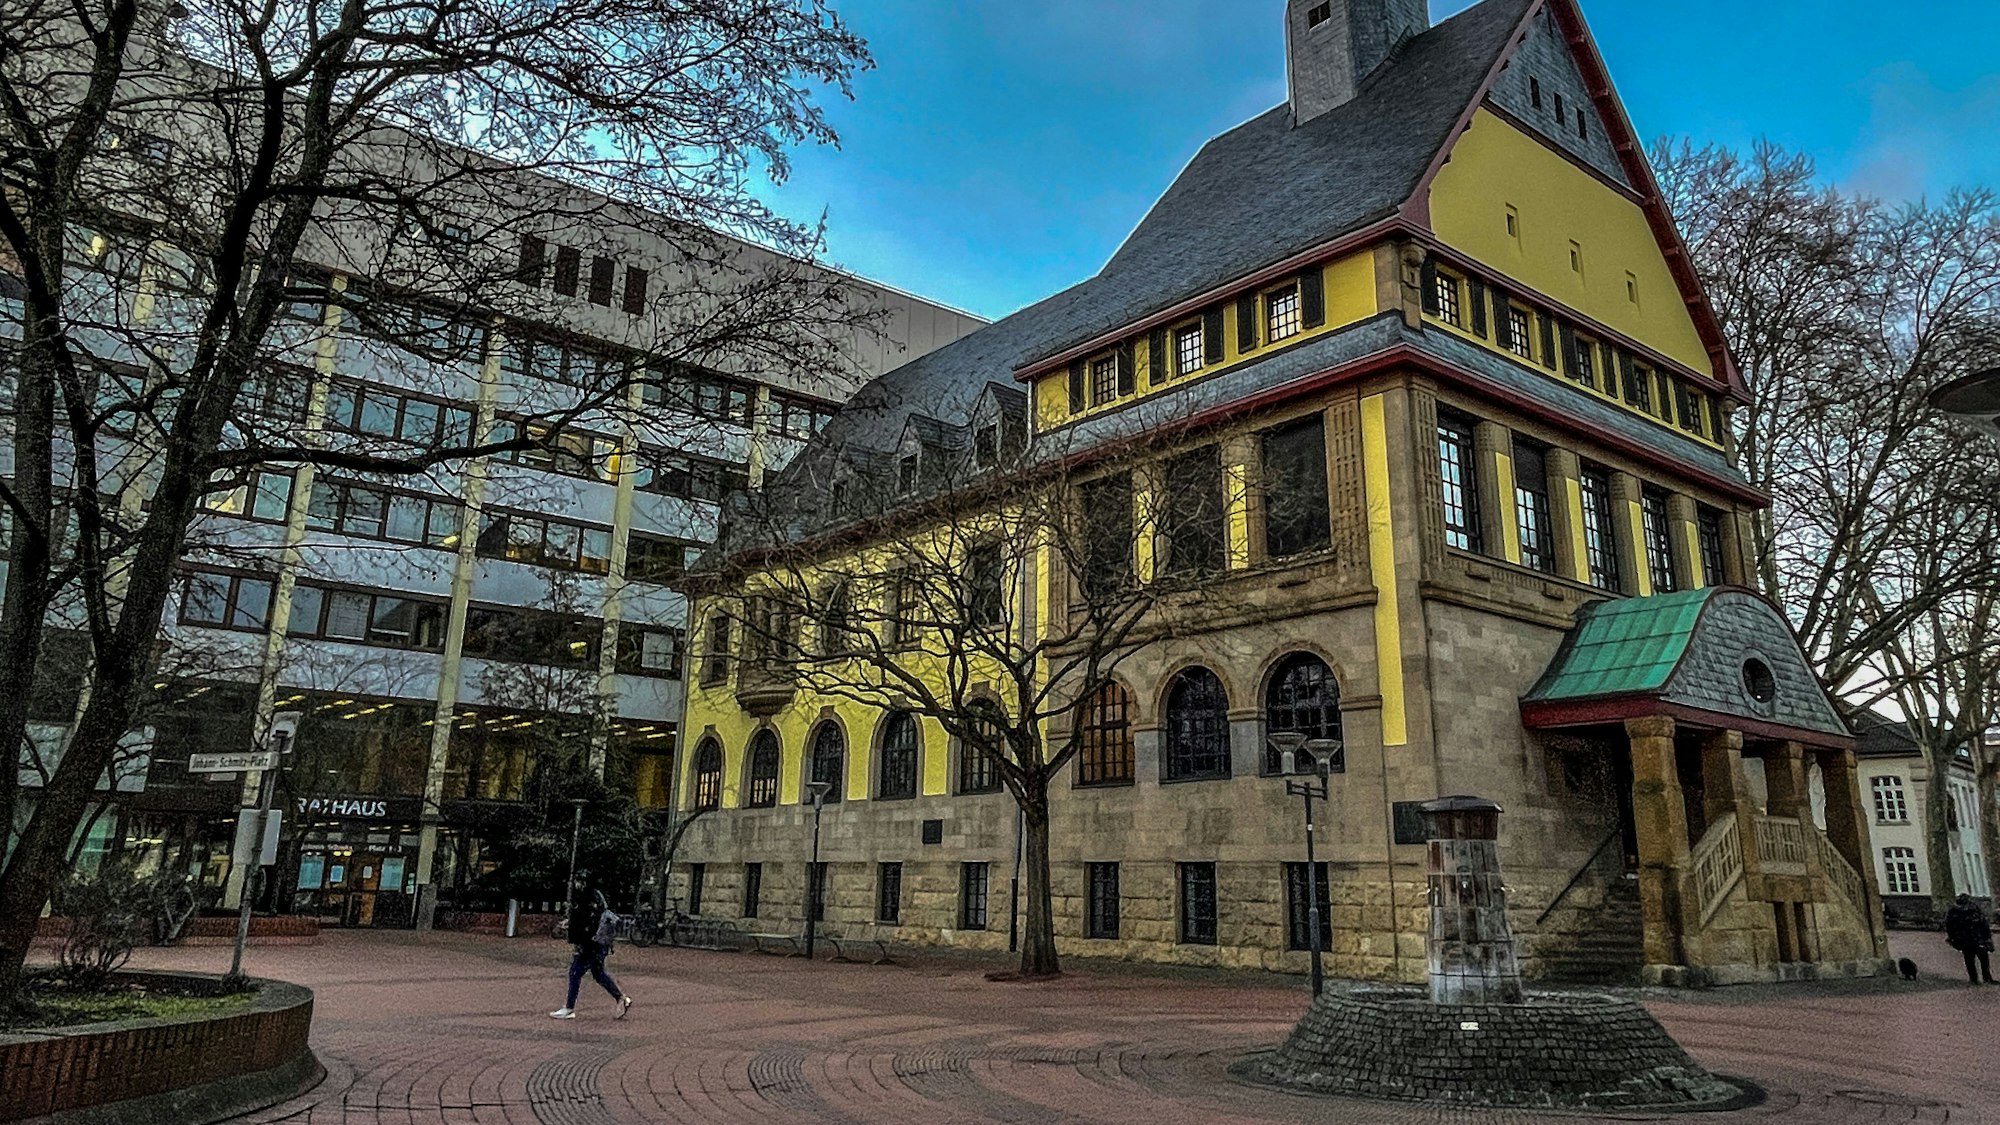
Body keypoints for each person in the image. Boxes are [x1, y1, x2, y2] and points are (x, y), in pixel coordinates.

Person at [550, 873, 635, 1019]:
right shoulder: (595, 896)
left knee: (575, 973)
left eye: (578, 881)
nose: (575, 884)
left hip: (591, 943)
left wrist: (580, 940)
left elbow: (587, 922)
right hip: (597, 943)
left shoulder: (588, 899)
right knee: (598, 974)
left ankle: (569, 1008)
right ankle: (621, 998)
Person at [1943, 893, 1995, 986]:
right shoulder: (1974, 909)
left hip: (1965, 939)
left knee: (1970, 960)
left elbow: (1949, 926)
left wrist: (1953, 938)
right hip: (1977, 938)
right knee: (1983, 959)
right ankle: (1986, 977)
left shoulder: (1953, 911)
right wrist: (1987, 937)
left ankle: (1974, 979)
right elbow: (1983, 923)